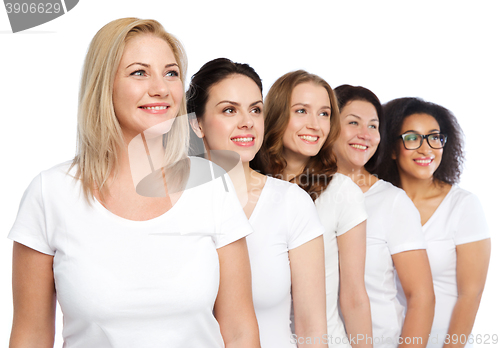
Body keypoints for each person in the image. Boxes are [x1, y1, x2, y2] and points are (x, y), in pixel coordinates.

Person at [8, 18, 260, 348]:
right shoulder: (50, 194)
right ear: (104, 85)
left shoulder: (212, 188)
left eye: (171, 73)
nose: (161, 87)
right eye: (139, 72)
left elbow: (240, 330)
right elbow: (31, 335)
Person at [187, 58, 327, 347]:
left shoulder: (291, 204)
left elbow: (312, 328)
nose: (247, 122)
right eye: (229, 110)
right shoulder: (172, 205)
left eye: (255, 109)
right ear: (197, 124)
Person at [252, 71, 372, 348]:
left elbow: (354, 296)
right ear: (277, 114)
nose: (315, 125)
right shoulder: (247, 184)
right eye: (301, 111)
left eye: (324, 114)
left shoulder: (342, 192)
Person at [375, 97, 491, 348]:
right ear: (392, 149)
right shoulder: (379, 203)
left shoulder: (463, 206)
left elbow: (471, 295)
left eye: (434, 137)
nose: (426, 148)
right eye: (412, 138)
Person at [333, 85, 435, 348]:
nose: (364, 135)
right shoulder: (305, 195)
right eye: (353, 122)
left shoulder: (392, 202)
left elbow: (421, 296)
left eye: (373, 126)